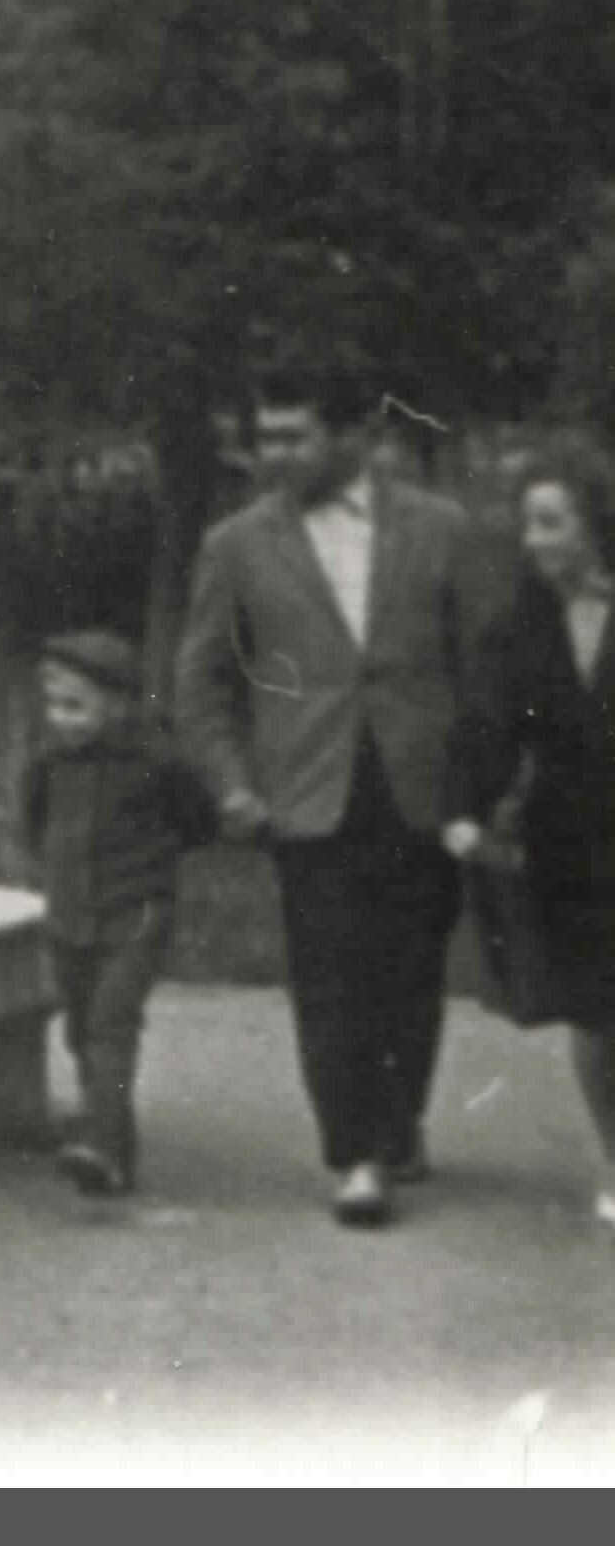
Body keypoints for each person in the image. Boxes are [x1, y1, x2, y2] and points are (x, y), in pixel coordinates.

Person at [171, 361, 510, 1228]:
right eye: (267, 436)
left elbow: (484, 672)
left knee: (412, 971)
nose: (275, 453)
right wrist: (231, 784)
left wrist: (481, 789)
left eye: (297, 435)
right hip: (306, 793)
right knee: (328, 977)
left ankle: (397, 1127)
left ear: (358, 435)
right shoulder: (237, 544)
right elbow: (201, 681)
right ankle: (354, 1153)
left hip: (421, 789)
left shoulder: (441, 528)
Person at [447, 441, 615, 1230]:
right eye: (529, 524)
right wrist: (464, 809)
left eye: (551, 522)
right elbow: (486, 726)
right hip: (574, 843)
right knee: (599, 1013)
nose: (535, 540)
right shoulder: (523, 624)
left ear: (595, 521)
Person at [19, 628, 216, 1198]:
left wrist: (150, 863)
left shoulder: (156, 763)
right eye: (55, 705)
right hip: (71, 917)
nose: (62, 719)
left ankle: (101, 1145)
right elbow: (35, 826)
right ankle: (113, 1154)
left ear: (118, 705)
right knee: (81, 1030)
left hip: (136, 915)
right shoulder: (47, 765)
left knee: (111, 1024)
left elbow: (197, 822)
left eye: (76, 707)